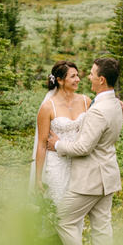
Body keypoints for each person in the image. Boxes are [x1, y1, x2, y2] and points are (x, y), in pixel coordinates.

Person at [45, 57, 123, 245]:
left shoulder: (98, 110)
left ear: (101, 79)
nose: (87, 77)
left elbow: (83, 148)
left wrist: (57, 144)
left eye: (91, 73)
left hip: (90, 178)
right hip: (108, 175)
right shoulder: (115, 104)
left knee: (63, 220)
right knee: (101, 227)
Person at [32, 60, 90, 199]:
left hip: (80, 162)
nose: (78, 79)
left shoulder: (86, 101)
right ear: (60, 80)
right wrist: (38, 178)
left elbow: (101, 116)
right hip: (57, 164)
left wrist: (118, 104)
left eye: (77, 75)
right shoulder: (47, 107)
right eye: (73, 76)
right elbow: (41, 144)